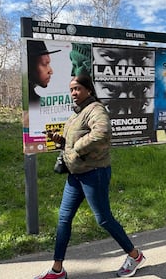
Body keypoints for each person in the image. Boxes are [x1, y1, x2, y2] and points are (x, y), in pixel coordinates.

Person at [34, 74, 146, 279]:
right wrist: (61, 141)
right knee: (63, 219)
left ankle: (135, 255)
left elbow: (101, 133)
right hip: (75, 175)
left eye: (77, 88)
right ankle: (57, 269)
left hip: (95, 173)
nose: (73, 93)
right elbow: (74, 139)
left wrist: (76, 147)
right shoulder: (76, 113)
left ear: (89, 90)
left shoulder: (95, 109)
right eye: (71, 90)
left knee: (103, 219)